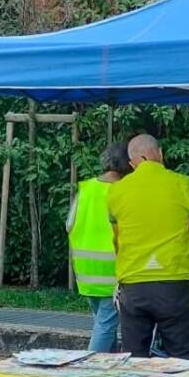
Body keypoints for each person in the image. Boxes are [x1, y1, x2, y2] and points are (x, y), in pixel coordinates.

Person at [108, 134, 189, 358]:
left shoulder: (116, 192)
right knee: (183, 358)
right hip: (174, 284)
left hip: (133, 286)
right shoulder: (183, 184)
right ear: (160, 154)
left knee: (134, 359)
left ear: (132, 163)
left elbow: (117, 241)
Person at [66, 142, 131, 352]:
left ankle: (107, 367)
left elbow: (69, 224)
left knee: (102, 322)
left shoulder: (86, 188)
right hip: (113, 271)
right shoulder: (122, 192)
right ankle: (90, 371)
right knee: (106, 325)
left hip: (85, 271)